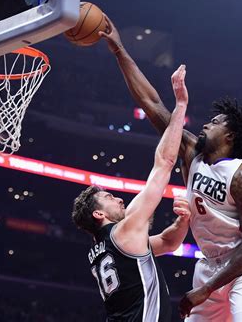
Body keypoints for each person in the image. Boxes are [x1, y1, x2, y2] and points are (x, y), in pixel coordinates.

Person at [100, 15, 242, 322]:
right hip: (210, 264)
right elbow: (152, 103)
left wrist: (206, 289)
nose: (208, 123)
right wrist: (119, 50)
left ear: (230, 136)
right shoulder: (191, 152)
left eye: (217, 122)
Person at [72, 65, 191, 322]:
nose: (118, 198)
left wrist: (183, 222)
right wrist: (180, 104)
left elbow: (170, 243)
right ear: (98, 213)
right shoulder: (124, 232)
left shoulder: (107, 247)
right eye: (108, 198)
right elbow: (164, 163)